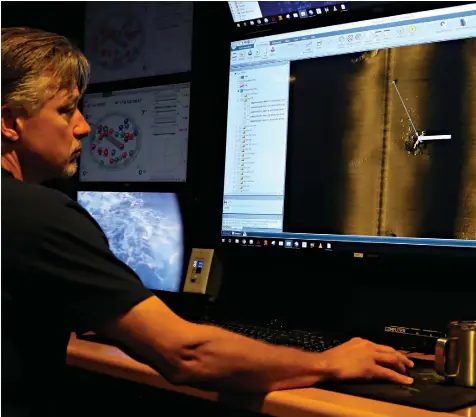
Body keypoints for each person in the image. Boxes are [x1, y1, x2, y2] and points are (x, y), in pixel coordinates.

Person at [1, 27, 414, 416]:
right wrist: (328, 363)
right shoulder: (39, 217)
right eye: (66, 110)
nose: (85, 127)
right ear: (9, 122)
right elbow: (187, 355)